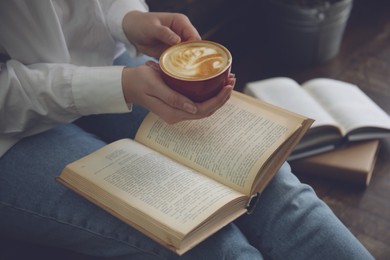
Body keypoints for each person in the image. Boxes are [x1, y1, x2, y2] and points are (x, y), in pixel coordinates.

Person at [0, 1, 374, 259]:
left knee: (277, 191)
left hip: (106, 63)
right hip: (10, 134)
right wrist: (119, 86)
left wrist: (125, 18)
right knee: (209, 242)